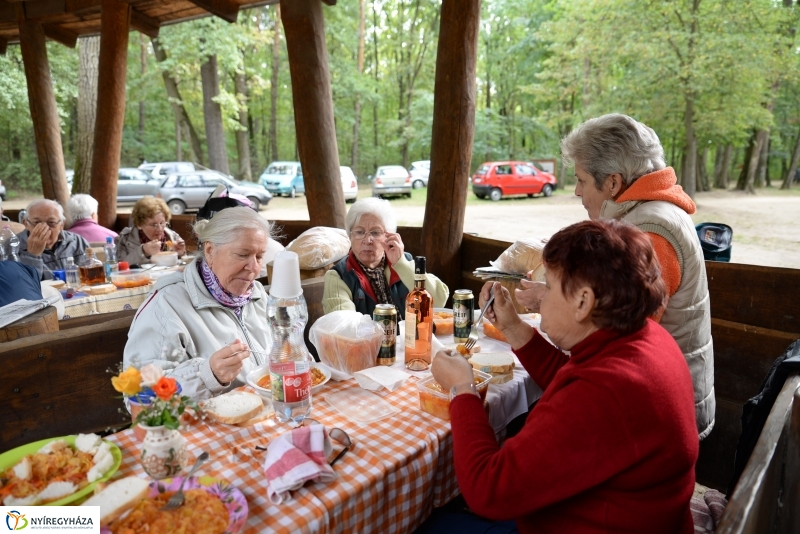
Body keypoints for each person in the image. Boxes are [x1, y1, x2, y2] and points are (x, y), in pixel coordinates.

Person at [430, 219, 698, 534]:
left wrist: (462, 389)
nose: (540, 298)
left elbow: (487, 491)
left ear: (583, 302)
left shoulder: (604, 392)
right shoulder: (645, 336)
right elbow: (569, 379)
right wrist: (515, 328)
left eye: (551, 286)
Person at [516, 113, 714, 439]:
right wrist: (553, 296)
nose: (577, 191)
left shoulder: (651, 230)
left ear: (612, 182)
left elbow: (621, 338)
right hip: (649, 400)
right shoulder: (647, 214)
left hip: (657, 419)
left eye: (581, 180)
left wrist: (553, 304)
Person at [123, 207, 272, 401]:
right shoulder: (166, 304)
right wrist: (207, 376)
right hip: (210, 425)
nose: (254, 268)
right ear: (210, 251)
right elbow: (140, 394)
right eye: (243, 255)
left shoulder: (257, 294)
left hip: (266, 414)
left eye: (259, 257)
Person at [322, 197, 449, 318]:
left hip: (411, 339)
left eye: (375, 232)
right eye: (359, 232)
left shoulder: (404, 262)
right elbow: (345, 327)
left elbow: (438, 301)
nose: (367, 240)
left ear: (389, 237)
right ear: (350, 236)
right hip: (369, 341)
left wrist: (402, 264)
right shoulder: (338, 277)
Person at [16, 199, 88, 280]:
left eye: (51, 222)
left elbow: (91, 274)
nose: (44, 228)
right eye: (36, 223)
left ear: (61, 224)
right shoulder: (12, 247)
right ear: (26, 224)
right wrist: (33, 255)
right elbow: (23, 285)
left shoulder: (77, 241)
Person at [117, 196, 186, 267]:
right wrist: (143, 251)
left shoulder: (172, 236)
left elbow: (182, 267)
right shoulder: (125, 239)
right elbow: (118, 267)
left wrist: (180, 255)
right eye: (153, 225)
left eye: (162, 223)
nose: (160, 229)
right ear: (139, 224)